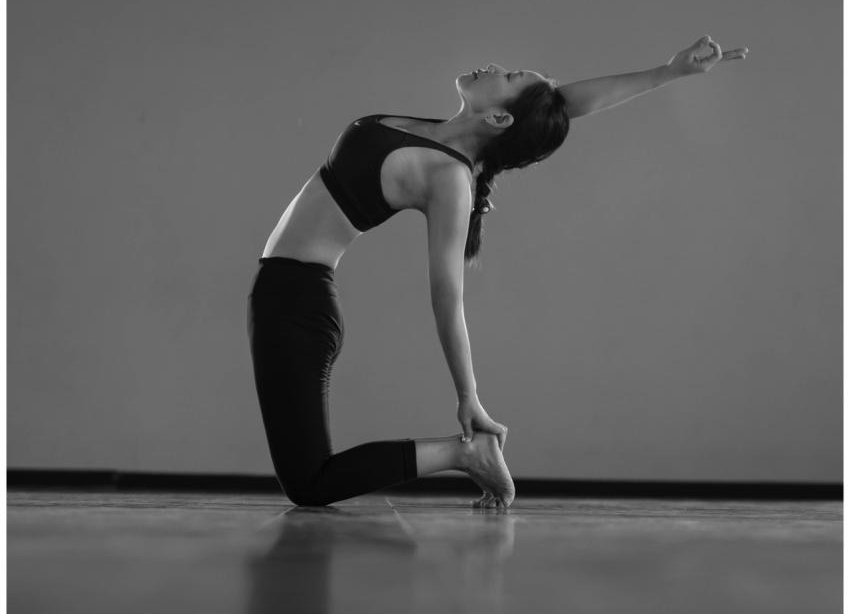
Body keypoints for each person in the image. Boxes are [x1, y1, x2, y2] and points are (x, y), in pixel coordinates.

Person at [247, 35, 748, 510]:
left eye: (507, 75)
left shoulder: (449, 178)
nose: (493, 67)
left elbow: (448, 297)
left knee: (309, 482)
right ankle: (462, 453)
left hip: (296, 303)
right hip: (285, 293)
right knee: (306, 475)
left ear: (499, 115)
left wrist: (469, 397)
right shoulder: (444, 133)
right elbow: (560, 103)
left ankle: (462, 453)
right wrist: (669, 71)